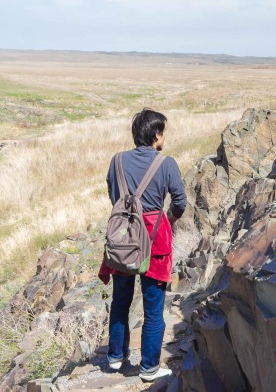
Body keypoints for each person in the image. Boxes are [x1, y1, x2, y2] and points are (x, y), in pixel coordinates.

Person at [97, 109, 187, 382]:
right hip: (154, 239)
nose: (164, 137)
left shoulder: (116, 161)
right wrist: (165, 220)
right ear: (156, 134)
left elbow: (114, 193)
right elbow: (180, 203)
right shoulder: (166, 163)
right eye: (163, 132)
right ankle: (149, 368)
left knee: (121, 300)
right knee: (153, 306)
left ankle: (114, 358)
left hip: (123, 238)